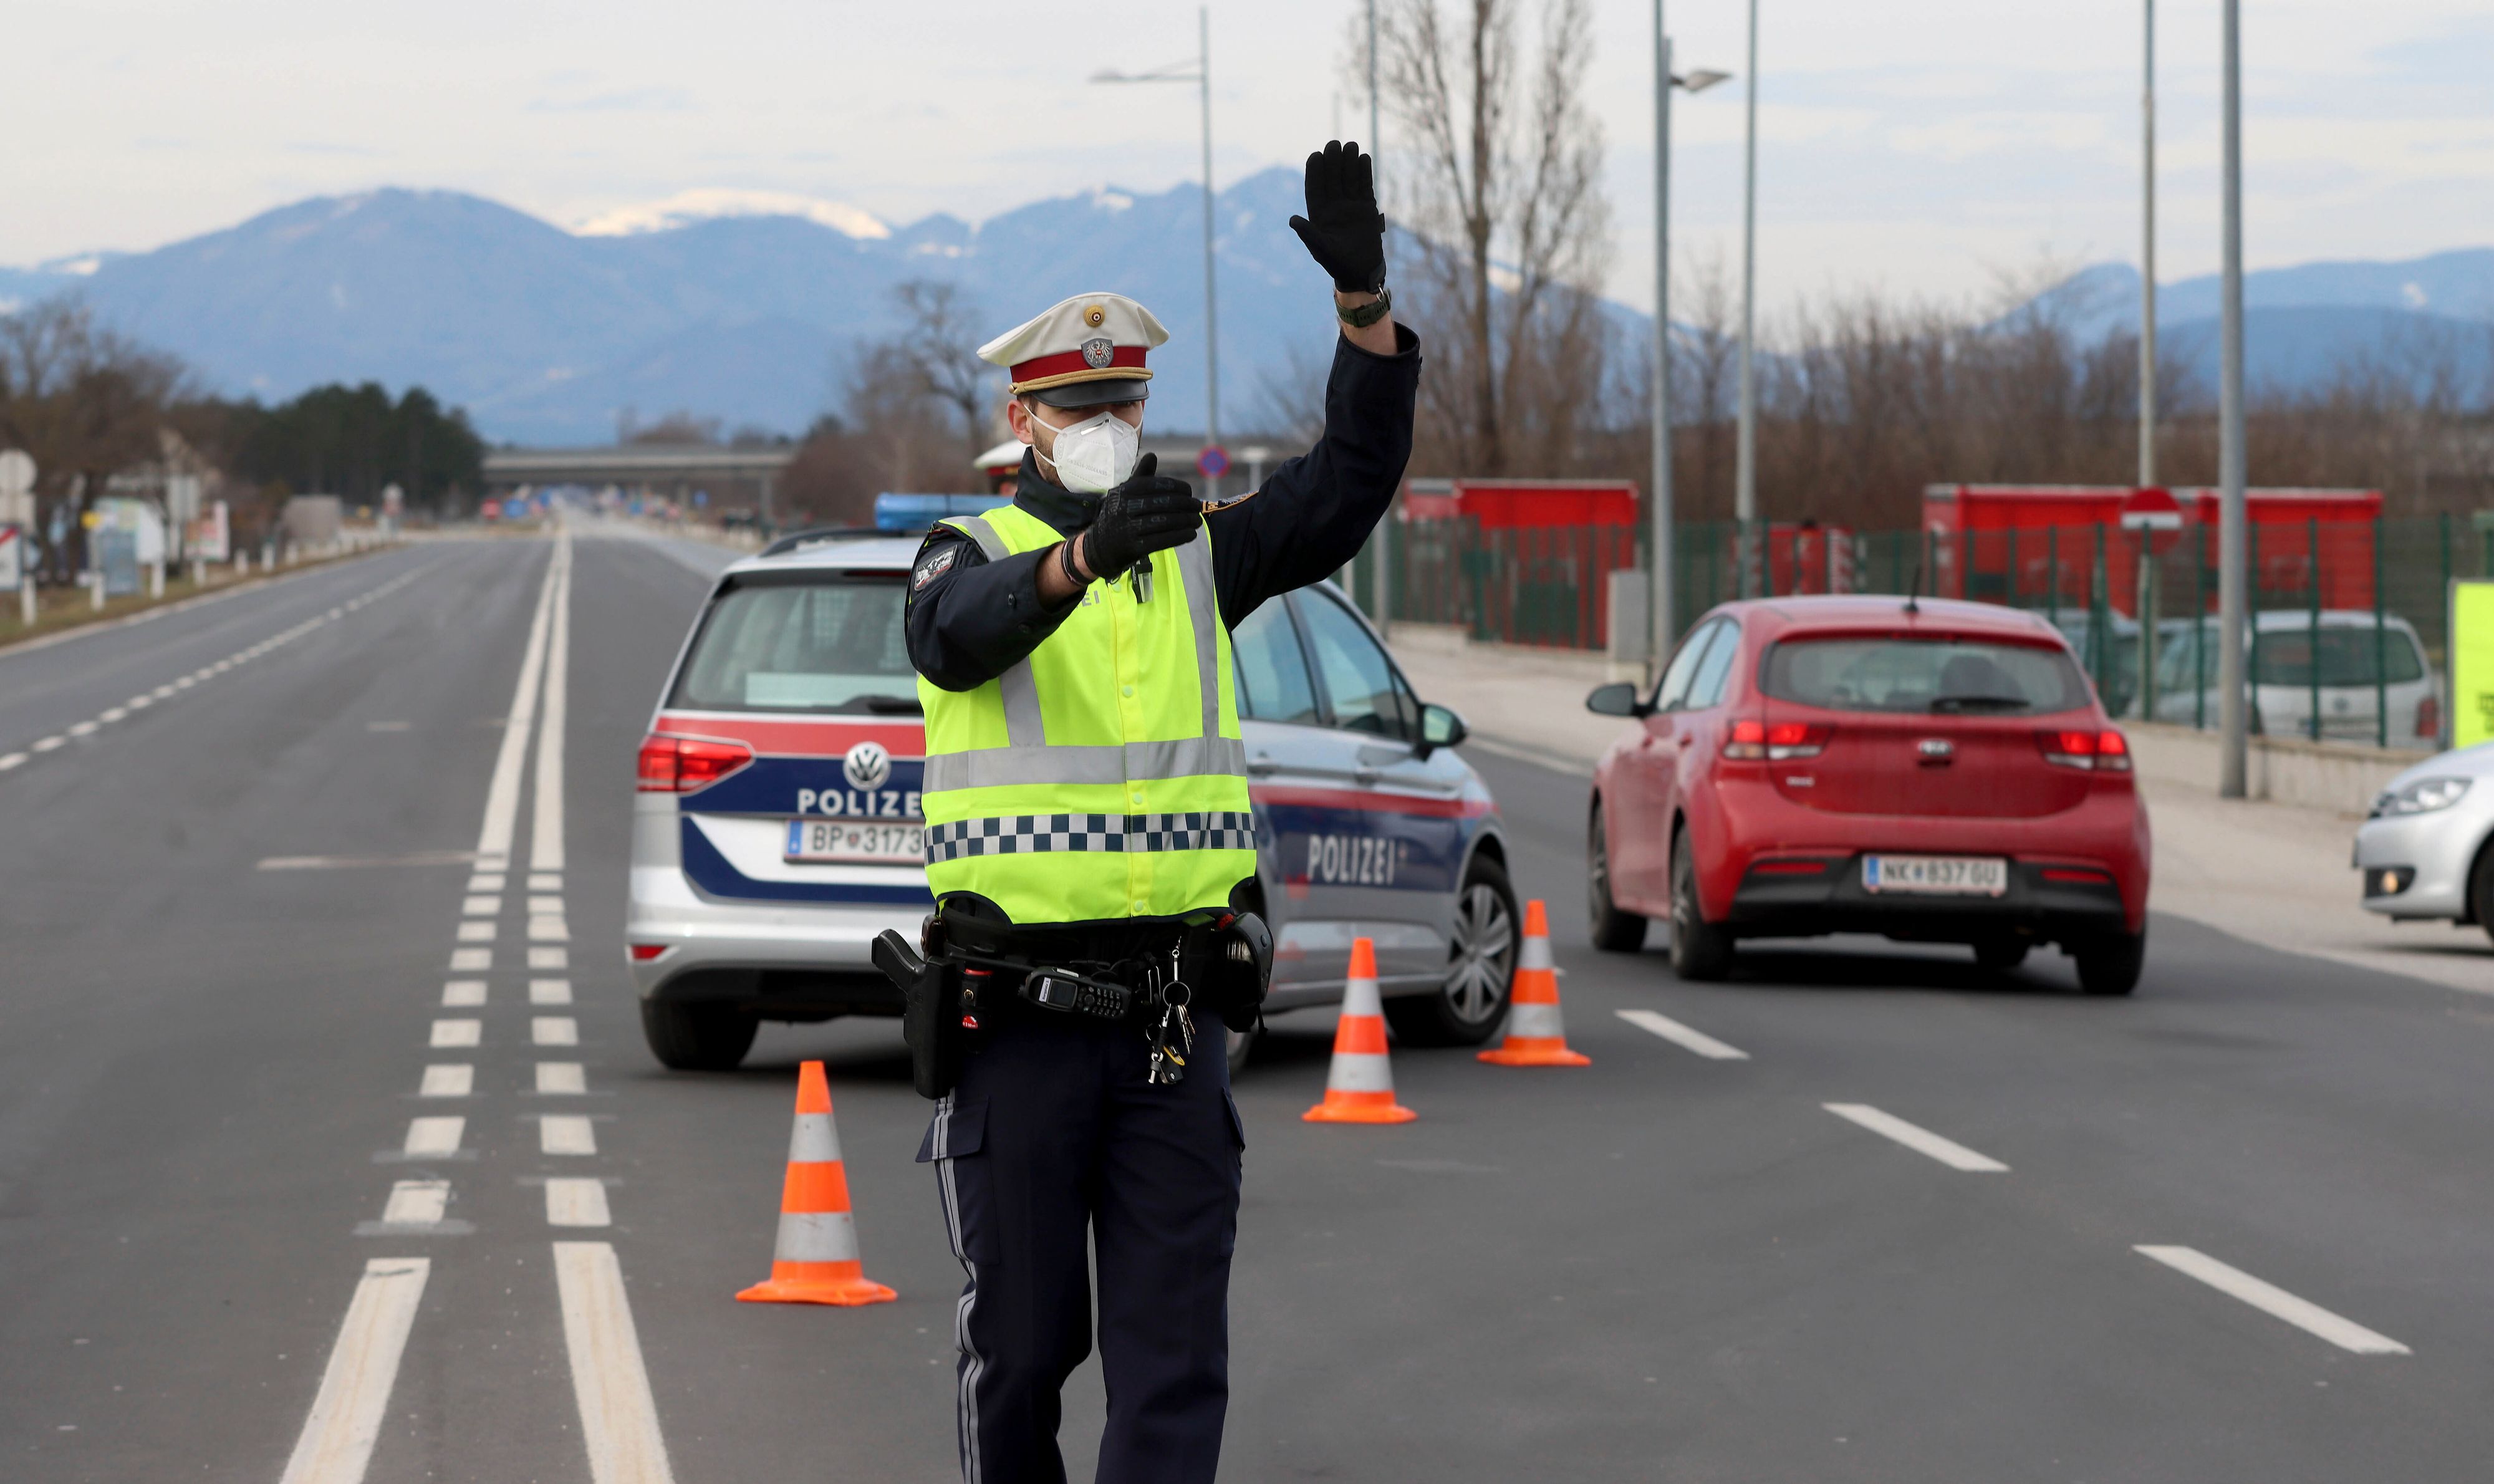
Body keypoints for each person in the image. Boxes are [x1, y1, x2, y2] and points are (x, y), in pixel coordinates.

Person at [900, 140, 1416, 1483]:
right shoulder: (967, 550)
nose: (1103, 421)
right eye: (1076, 403)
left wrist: (1364, 311)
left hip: (1171, 1033)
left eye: (1120, 399)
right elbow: (954, 635)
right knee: (1022, 1353)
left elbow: (1348, 483)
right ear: (1023, 421)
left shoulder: (1200, 556)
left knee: (1174, 1365)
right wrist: (1079, 559)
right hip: (1017, 1028)